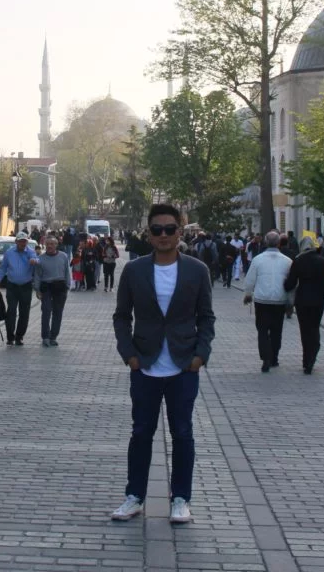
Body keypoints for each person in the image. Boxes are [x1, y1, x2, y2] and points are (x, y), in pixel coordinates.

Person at [110, 203, 215, 525]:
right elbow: (121, 316)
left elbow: (206, 317)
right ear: (149, 233)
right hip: (145, 365)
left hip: (184, 365)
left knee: (183, 434)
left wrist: (200, 355)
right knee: (141, 433)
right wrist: (129, 355)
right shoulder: (135, 269)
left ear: (180, 232)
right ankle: (134, 497)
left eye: (170, 229)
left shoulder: (197, 270)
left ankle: (181, 498)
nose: (164, 235)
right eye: (157, 230)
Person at [242, 231, 292, 371]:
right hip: (279, 300)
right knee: (277, 330)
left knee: (262, 330)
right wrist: (290, 301)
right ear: (278, 243)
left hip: (262, 300)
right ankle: (274, 357)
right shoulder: (287, 261)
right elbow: (291, 284)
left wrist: (247, 293)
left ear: (265, 242)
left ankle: (265, 357)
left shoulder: (258, 259)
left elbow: (250, 279)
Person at [284, 242, 324, 374]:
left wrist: (285, 285)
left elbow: (291, 283)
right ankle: (313, 351)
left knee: (304, 329)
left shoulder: (298, 261)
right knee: (314, 327)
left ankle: (307, 359)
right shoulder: (323, 261)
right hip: (318, 300)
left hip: (302, 300)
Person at [0, 232, 38, 345]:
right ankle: (10, 336)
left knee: (24, 312)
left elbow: (37, 260)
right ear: (16, 242)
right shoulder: (9, 253)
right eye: (21, 241)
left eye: (25, 241)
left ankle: (19, 336)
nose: (23, 243)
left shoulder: (30, 252)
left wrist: (34, 261)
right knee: (11, 311)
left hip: (26, 286)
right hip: (12, 286)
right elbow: (3, 268)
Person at [33, 235, 70, 346]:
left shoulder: (63, 256)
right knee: (46, 311)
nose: (50, 246)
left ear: (56, 245)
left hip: (60, 286)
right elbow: (38, 275)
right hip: (46, 287)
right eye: (48, 244)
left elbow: (67, 272)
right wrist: (37, 289)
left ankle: (53, 336)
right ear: (45, 245)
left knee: (58, 312)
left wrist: (67, 286)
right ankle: (45, 336)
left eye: (52, 244)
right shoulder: (40, 258)